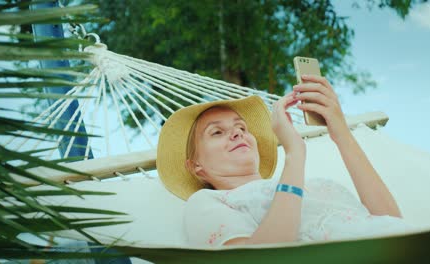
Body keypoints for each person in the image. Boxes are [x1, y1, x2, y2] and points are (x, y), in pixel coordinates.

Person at [157, 74, 413, 247]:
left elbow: (391, 223)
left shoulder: (315, 184)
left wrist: (341, 133)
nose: (237, 132)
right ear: (196, 166)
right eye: (217, 132)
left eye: (241, 128)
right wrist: (295, 152)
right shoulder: (206, 202)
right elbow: (263, 261)